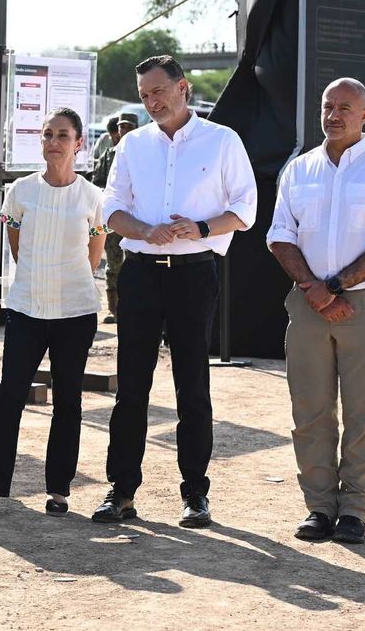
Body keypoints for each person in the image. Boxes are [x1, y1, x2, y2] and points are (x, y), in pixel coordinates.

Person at [93, 55, 256, 527]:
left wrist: (201, 227)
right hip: (140, 273)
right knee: (131, 389)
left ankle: (195, 495)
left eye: (158, 91)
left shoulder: (222, 141)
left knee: (192, 386)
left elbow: (245, 206)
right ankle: (121, 491)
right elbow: (111, 207)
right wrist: (143, 229)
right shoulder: (132, 145)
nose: (151, 101)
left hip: (193, 274)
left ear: (183, 87)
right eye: (144, 95)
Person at [267, 78, 365, 544]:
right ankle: (320, 507)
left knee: (364, 410)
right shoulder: (298, 170)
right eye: (328, 107)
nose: (334, 115)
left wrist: (333, 287)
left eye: (345, 108)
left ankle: (354, 510)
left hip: (363, 305)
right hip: (307, 304)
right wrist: (313, 289)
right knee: (310, 409)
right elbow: (280, 235)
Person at [0, 108, 105, 518]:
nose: (53, 142)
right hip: (27, 308)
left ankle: (59, 489)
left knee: (68, 400)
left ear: (79, 143)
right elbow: (15, 242)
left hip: (76, 311)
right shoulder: (21, 191)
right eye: (48, 134)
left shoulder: (93, 197)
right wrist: (35, 276)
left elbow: (94, 256)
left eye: (62, 135)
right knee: (10, 396)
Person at [92, 112, 139, 323]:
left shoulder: (144, 154)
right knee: (113, 265)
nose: (124, 132)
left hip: (137, 220)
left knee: (135, 265)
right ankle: (114, 310)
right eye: (122, 128)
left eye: (129, 128)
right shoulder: (109, 155)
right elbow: (97, 183)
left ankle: (132, 307)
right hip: (113, 219)